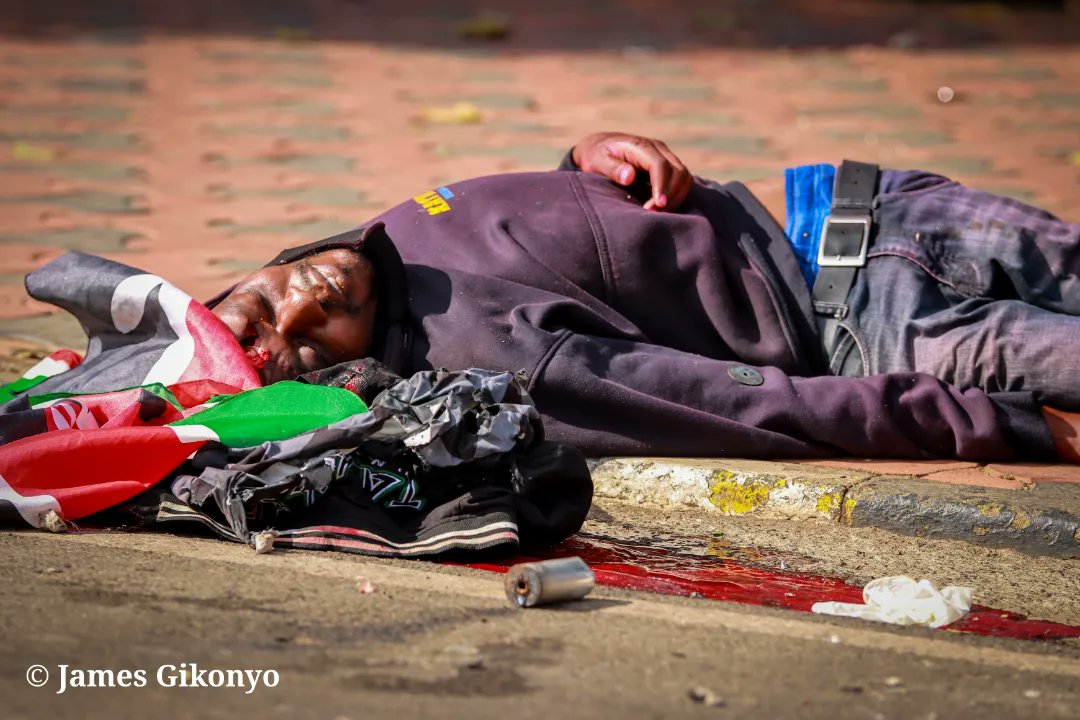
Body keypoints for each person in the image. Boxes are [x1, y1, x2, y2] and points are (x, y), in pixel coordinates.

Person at [208, 131, 1080, 463]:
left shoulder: (380, 245)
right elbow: (752, 406)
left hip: (866, 203)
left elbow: (556, 254)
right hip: (885, 325)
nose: (299, 308)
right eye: (307, 347)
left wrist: (582, 161)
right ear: (342, 382)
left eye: (254, 311)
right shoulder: (489, 365)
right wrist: (1007, 427)